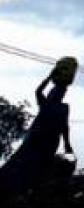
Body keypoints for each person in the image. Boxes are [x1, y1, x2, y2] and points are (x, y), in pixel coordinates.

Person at [0, 67, 75, 197]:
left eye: (57, 91)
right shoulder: (45, 102)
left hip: (49, 141)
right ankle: (14, 190)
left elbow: (65, 126)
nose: (54, 93)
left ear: (61, 95)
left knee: (40, 167)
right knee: (23, 164)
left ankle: (29, 191)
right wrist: (50, 77)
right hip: (35, 139)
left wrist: (67, 143)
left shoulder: (63, 107)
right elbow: (38, 90)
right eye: (53, 91)